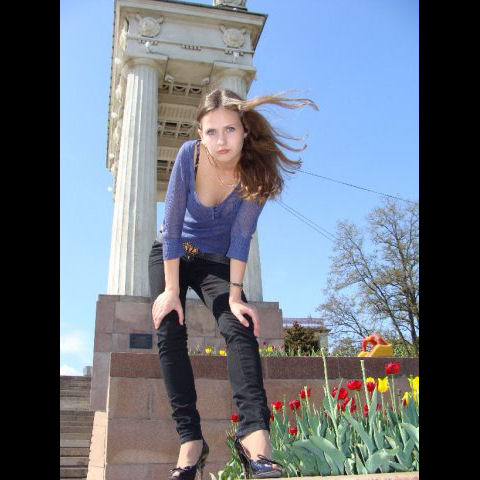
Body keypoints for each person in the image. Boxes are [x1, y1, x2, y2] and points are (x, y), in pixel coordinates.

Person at [148, 88, 318, 480]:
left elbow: (241, 238)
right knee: (168, 326)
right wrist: (171, 291)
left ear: (244, 131)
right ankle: (191, 441)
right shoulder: (189, 156)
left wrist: (236, 297)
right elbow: (171, 228)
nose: (221, 140)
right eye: (211, 131)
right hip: (173, 253)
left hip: (216, 262)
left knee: (238, 326)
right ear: (200, 134)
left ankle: (255, 438)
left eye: (229, 129)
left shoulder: (256, 174)